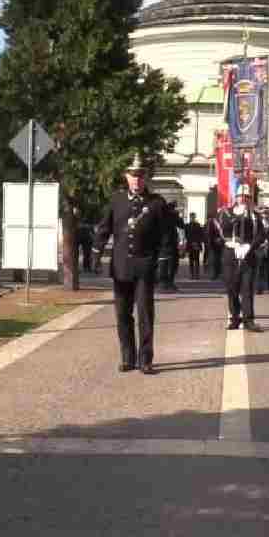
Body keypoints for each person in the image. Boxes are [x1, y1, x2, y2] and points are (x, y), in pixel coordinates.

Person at [93, 155, 175, 374]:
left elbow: (167, 236)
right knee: (122, 314)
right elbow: (104, 228)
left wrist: (164, 262)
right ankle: (127, 357)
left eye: (140, 176)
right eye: (133, 176)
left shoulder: (156, 203)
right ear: (126, 177)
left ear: (145, 178)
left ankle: (145, 359)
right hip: (121, 267)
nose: (136, 180)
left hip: (145, 267)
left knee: (145, 314)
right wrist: (95, 252)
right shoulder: (116, 200)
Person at [220, 185, 264, 331]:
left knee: (247, 289)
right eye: (241, 196)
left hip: (248, 255)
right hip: (231, 254)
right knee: (231, 288)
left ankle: (248, 320)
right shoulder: (226, 213)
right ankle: (235, 318)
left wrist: (249, 247)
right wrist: (231, 243)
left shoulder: (255, 216)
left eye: (247, 197)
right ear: (236, 197)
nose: (244, 199)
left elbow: (261, 235)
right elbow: (220, 232)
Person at [184, 213, 205, 279]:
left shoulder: (198, 225)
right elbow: (186, 235)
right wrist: (192, 242)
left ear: (195, 217)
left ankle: (197, 274)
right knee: (191, 260)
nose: (192, 218)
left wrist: (196, 242)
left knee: (197, 260)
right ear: (190, 218)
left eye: (193, 217)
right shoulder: (187, 225)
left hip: (196, 244)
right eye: (191, 217)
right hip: (190, 244)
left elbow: (201, 235)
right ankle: (192, 274)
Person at [206, 211, 224, 281]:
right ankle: (215, 274)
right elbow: (209, 233)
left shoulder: (219, 223)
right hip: (213, 244)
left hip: (218, 244)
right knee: (214, 260)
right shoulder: (212, 222)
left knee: (218, 259)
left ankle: (218, 273)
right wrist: (213, 240)